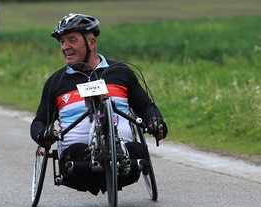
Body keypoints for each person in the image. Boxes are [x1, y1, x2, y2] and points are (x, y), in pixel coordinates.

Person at [30, 13, 167, 195]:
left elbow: (146, 107)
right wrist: (44, 134)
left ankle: (115, 150)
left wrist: (155, 122)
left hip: (125, 157)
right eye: (62, 42)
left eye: (72, 40)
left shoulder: (121, 72)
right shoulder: (56, 82)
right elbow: (39, 122)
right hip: (77, 163)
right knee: (77, 152)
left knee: (138, 151)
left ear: (91, 43)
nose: (65, 47)